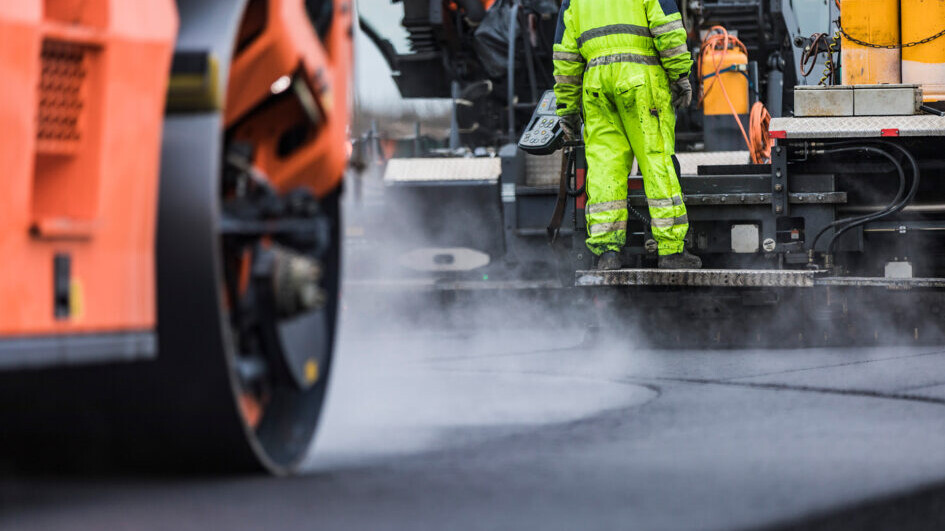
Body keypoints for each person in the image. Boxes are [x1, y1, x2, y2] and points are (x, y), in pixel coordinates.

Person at [552, 0, 702, 270]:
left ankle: (608, 252)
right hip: (641, 78)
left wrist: (568, 108)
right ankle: (670, 250)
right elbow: (667, 29)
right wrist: (680, 75)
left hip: (595, 83)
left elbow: (565, 56)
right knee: (656, 161)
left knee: (605, 167)